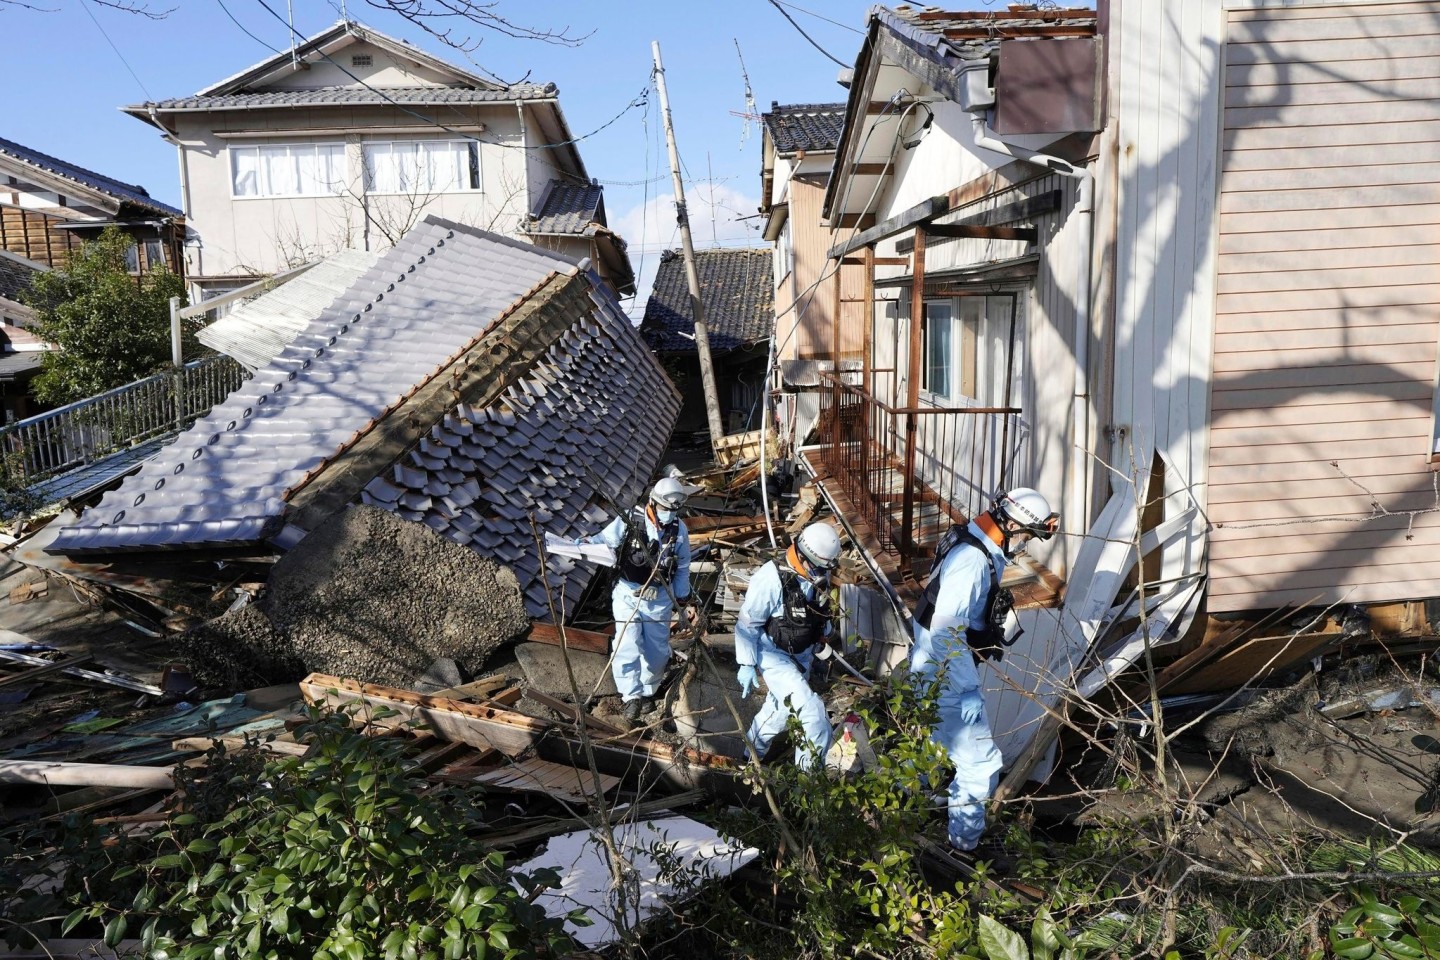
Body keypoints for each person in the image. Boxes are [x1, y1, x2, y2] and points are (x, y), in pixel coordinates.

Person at [910, 487, 1059, 852]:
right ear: (1009, 524)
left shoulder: (972, 537)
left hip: (933, 665)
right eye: (1026, 535)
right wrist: (967, 689)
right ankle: (963, 846)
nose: (1025, 543)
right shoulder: (973, 561)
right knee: (981, 765)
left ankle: (909, 809)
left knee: (935, 748)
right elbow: (946, 631)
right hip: (943, 672)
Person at [734, 522, 843, 768]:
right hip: (774, 656)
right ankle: (810, 785)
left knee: (779, 712)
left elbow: (819, 612)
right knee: (813, 714)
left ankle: (749, 757)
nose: (820, 573)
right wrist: (746, 663)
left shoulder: (817, 574)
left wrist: (822, 641)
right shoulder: (770, 579)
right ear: (803, 557)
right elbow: (747, 625)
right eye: (816, 567)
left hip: (803, 655)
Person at [592, 477, 696, 726]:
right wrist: (577, 546)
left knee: (657, 650)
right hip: (628, 593)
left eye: (674, 510)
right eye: (665, 509)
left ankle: (649, 689)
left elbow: (682, 565)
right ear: (653, 502)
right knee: (626, 643)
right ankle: (631, 695)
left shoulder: (678, 530)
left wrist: (681, 596)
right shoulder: (631, 519)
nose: (668, 515)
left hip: (659, 597)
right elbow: (603, 541)